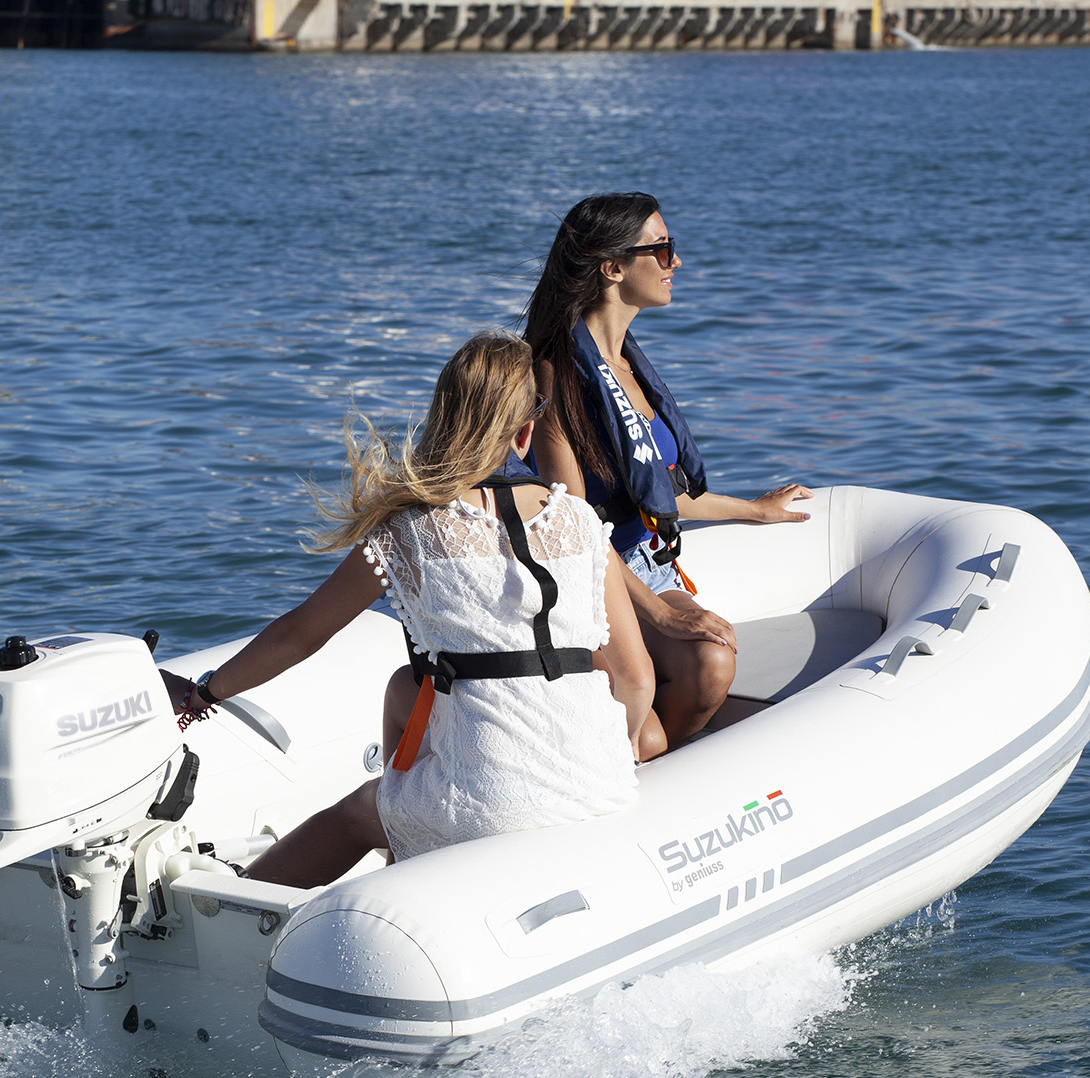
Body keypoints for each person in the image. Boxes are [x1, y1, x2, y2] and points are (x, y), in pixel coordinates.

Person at [176, 331, 652, 890]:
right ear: (525, 432)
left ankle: (240, 910)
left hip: (493, 798)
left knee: (354, 816)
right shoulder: (583, 523)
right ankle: (411, 859)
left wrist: (203, 694)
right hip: (603, 782)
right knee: (408, 687)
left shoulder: (412, 529)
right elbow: (634, 679)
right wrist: (592, 764)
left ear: (444, 419)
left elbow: (301, 634)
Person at [524, 192, 813, 750]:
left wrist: (756, 511)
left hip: (643, 565)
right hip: (585, 582)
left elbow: (653, 494)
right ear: (612, 268)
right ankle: (630, 767)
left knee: (712, 663)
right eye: (661, 249)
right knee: (648, 735)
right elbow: (573, 531)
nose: (674, 262)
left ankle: (650, 772)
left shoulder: (628, 368)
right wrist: (661, 615)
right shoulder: (558, 377)